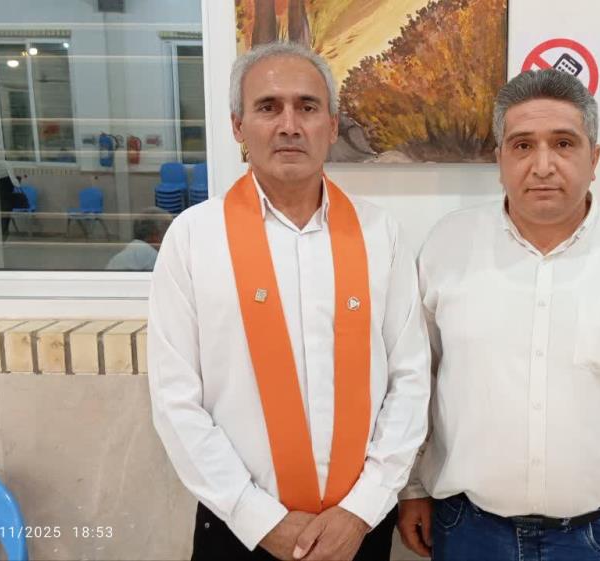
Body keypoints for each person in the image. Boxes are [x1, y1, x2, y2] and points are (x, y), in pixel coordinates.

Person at [397, 69, 600, 561]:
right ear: (500, 160)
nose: (542, 166)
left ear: (595, 158)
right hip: (467, 530)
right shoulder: (448, 247)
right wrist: (412, 486)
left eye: (563, 144)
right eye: (523, 146)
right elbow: (418, 379)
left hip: (599, 536)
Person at [147, 41, 430, 561]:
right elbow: (175, 399)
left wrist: (362, 509)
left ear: (332, 124)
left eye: (307, 106)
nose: (289, 125)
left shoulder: (380, 234)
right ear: (238, 126)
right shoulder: (193, 239)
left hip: (358, 529)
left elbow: (409, 378)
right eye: (268, 107)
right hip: (238, 530)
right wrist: (258, 517)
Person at [105, 207, 171, 270]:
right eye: (167, 235)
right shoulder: (153, 258)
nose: (169, 242)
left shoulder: (118, 258)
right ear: (154, 235)